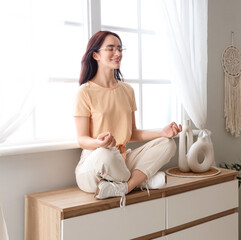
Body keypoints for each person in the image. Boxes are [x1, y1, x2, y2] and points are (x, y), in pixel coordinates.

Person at [74, 31, 182, 207]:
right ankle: (141, 182)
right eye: (111, 49)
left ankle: (125, 187)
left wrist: (162, 132)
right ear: (96, 55)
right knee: (107, 154)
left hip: (122, 160)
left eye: (119, 49)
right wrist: (100, 143)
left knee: (167, 143)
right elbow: (82, 139)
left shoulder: (127, 90)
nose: (118, 54)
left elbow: (132, 133)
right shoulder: (84, 92)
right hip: (95, 163)